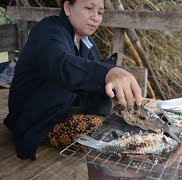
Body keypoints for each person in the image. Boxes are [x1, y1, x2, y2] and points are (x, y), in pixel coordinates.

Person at [3, 0, 142, 160]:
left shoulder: (88, 45)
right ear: (68, 8)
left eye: (100, 12)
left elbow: (90, 79)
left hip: (63, 108)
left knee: (117, 118)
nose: (95, 17)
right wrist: (108, 73)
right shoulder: (48, 31)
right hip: (33, 115)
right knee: (110, 135)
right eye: (89, 8)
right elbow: (62, 64)